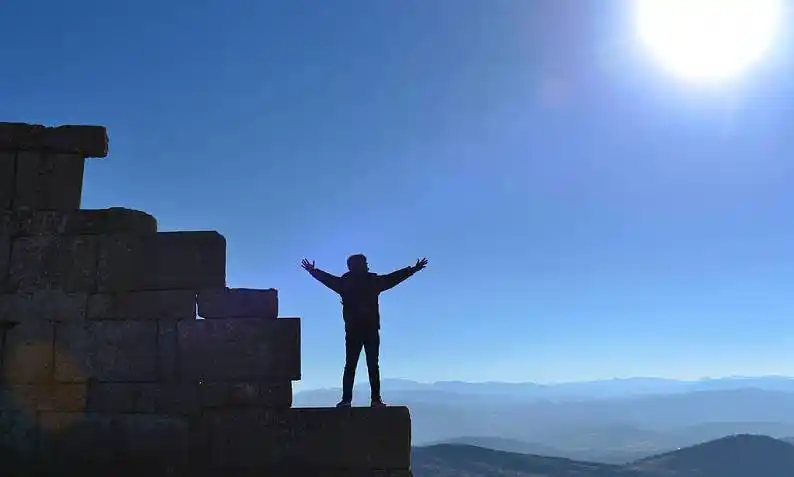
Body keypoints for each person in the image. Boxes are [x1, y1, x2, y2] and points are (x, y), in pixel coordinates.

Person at [301, 254, 428, 408]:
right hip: (370, 330)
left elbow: (327, 279)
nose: (368, 265)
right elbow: (393, 279)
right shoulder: (372, 281)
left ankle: (347, 400)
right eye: (365, 262)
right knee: (372, 365)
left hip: (354, 330)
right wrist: (412, 270)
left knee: (351, 366)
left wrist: (313, 271)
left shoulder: (345, 283)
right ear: (359, 265)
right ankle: (375, 400)